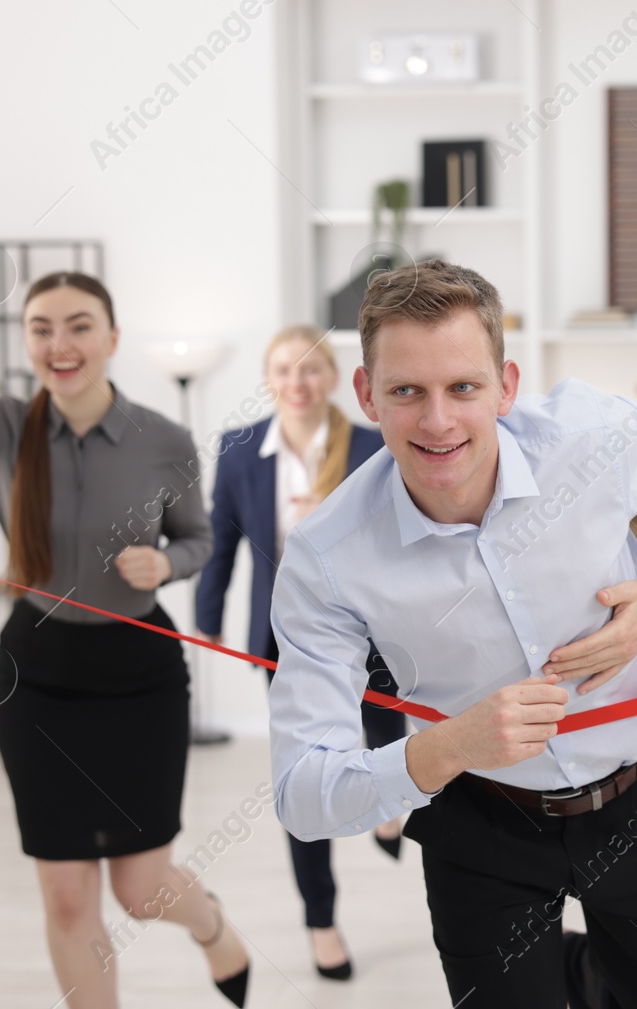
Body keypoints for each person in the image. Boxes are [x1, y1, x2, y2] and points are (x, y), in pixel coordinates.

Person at [266, 259, 637, 1008]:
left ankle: (589, 971)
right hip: (478, 819)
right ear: (365, 395)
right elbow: (300, 793)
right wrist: (447, 747)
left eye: (463, 388)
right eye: (407, 390)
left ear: (507, 386)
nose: (438, 420)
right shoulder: (327, 558)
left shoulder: (587, 435)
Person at [0, 235, 251, 1009]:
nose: (59, 344)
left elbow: (200, 537)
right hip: (36, 677)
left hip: (140, 678)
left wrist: (166, 565)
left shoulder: (164, 442)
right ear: (28, 340)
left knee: (141, 890)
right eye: (41, 327)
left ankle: (212, 927)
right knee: (69, 899)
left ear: (111, 338)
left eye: (77, 325)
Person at [194, 324, 407, 980]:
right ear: (268, 379)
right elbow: (221, 540)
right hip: (287, 639)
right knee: (306, 774)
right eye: (284, 370)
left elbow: (408, 531)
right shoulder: (239, 452)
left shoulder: (374, 444)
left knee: (383, 732)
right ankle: (321, 919)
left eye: (311, 369)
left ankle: (388, 808)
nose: (298, 382)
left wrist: (333, 519)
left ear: (335, 378)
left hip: (375, 631)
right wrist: (207, 619)